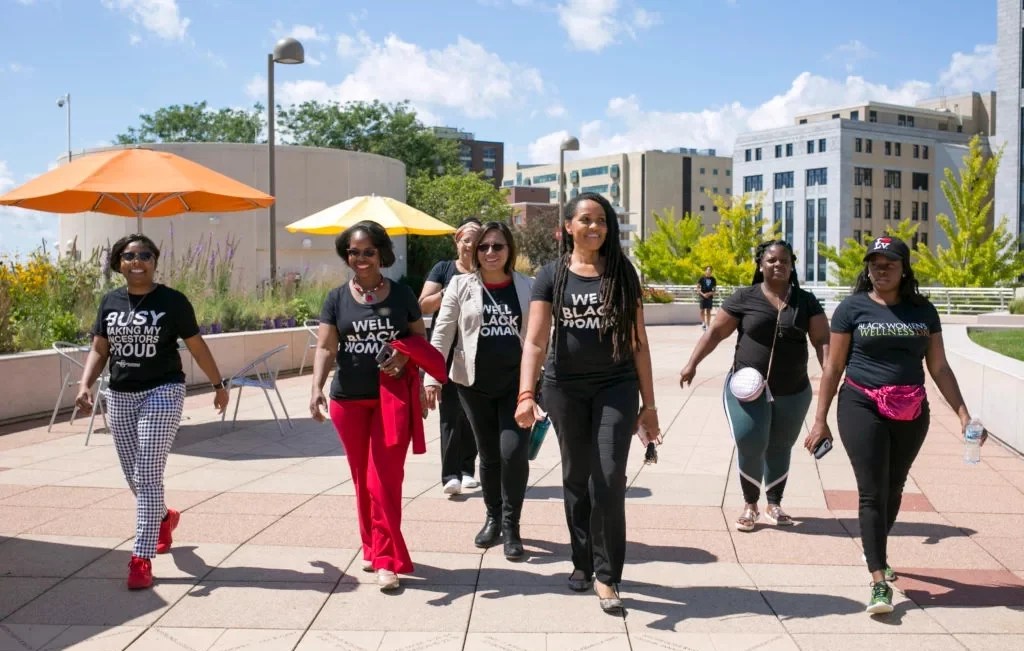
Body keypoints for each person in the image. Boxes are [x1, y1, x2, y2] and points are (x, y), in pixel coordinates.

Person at [803, 236, 984, 615]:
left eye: (889, 263)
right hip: (861, 402)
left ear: (904, 269)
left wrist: (963, 413)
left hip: (911, 409)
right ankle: (878, 580)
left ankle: (876, 550)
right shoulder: (851, 309)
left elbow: (938, 367)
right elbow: (833, 366)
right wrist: (820, 419)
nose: (880, 269)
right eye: (874, 263)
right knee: (871, 491)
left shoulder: (923, 311)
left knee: (894, 486)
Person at [515, 192, 660, 614]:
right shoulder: (551, 275)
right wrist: (527, 394)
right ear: (568, 228)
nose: (594, 227)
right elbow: (537, 341)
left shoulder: (622, 272)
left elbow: (639, 343)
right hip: (564, 389)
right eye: (585, 220)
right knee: (577, 476)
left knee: (610, 477)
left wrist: (648, 407)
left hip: (616, 385)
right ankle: (581, 561)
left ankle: (607, 575)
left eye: (601, 220)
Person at [74, 234, 229, 590]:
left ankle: (141, 558)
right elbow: (100, 348)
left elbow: (196, 345)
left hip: (163, 391)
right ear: (118, 264)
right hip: (120, 395)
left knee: (147, 473)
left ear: (155, 261)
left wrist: (218, 385)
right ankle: (163, 517)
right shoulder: (110, 302)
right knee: (134, 476)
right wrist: (86, 384)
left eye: (145, 255)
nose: (137, 261)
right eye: (129, 256)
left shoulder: (173, 301)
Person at [309, 220, 445, 592]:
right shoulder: (336, 298)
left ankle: (386, 560)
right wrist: (316, 387)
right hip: (347, 400)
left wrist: (407, 362)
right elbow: (325, 346)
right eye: (353, 252)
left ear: (381, 253)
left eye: (368, 251)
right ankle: (372, 546)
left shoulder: (401, 295)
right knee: (361, 481)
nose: (361, 258)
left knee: (383, 480)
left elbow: (420, 341)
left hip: (392, 399)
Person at [679, 240, 829, 533]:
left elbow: (823, 342)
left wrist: (834, 376)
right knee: (750, 440)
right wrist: (692, 363)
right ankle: (750, 504)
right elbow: (715, 333)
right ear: (761, 264)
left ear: (792, 265)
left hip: (794, 390)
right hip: (746, 390)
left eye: (784, 261)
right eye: (772, 260)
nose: (778, 265)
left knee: (780, 444)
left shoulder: (806, 301)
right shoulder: (744, 297)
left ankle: (775, 503)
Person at [424, 221, 534, 560]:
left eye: (497, 246)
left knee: (512, 453)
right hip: (473, 385)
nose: (488, 253)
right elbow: (442, 333)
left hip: (517, 387)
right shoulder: (459, 284)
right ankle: (493, 518)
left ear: (509, 250)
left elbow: (542, 335)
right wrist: (431, 377)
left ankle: (512, 525)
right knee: (487, 455)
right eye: (483, 247)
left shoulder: (527, 286)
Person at [419, 218, 482, 496]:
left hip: (477, 352)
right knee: (450, 413)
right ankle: (451, 474)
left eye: (476, 240)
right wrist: (451, 290)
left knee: (474, 414)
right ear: (457, 241)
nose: (471, 245)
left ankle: (469, 469)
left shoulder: (487, 270)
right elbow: (423, 304)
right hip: (445, 350)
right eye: (466, 239)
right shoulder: (443, 269)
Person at [697, 266, 717, 331]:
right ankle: (704, 323)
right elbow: (697, 288)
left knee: (708, 311)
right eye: (707, 270)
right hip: (702, 296)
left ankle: (708, 324)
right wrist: (703, 294)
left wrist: (709, 294)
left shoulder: (713, 279)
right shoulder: (701, 278)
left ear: (711, 272)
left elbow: (714, 290)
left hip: (709, 297)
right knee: (701, 310)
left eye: (710, 270)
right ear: (705, 271)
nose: (709, 271)